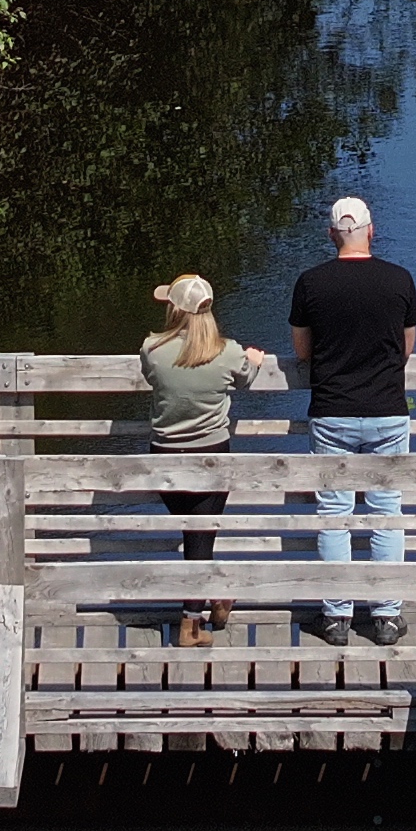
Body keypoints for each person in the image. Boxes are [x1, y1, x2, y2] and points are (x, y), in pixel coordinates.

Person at [286, 195, 416, 644]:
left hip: (332, 412)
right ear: (371, 231)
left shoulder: (311, 283)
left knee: (334, 514)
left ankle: (337, 617)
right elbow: (406, 347)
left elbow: (303, 352)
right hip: (387, 412)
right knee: (386, 513)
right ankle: (386, 615)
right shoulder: (399, 279)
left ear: (331, 235)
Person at [136, 274, 270, 648]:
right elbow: (245, 379)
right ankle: (190, 625)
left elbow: (152, 377)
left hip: (163, 454)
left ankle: (216, 598)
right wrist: (255, 361)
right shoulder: (228, 351)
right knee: (201, 535)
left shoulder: (151, 348)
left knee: (196, 533)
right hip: (211, 454)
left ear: (175, 309)